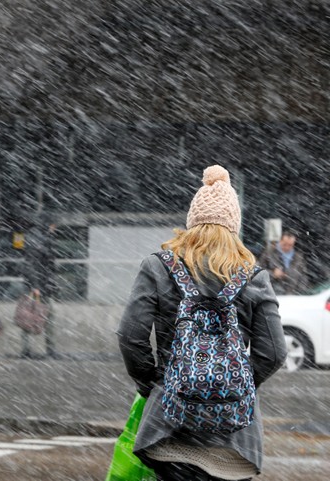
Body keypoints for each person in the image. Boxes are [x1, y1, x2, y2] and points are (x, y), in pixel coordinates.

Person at [117, 165, 287, 481]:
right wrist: (232, 385)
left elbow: (130, 337)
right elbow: (274, 352)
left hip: (168, 434)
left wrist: (156, 383)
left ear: (192, 221)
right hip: (234, 442)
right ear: (234, 227)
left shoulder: (157, 267)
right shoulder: (254, 277)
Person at [21, 212, 59, 359]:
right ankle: (45, 349)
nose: (54, 228)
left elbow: (45, 264)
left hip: (42, 284)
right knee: (32, 315)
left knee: (32, 315)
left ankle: (33, 349)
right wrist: (35, 285)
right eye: (53, 225)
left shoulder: (42, 237)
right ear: (48, 224)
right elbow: (31, 264)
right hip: (37, 285)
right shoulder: (37, 239)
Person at [259, 231, 308, 295]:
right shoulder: (269, 253)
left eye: (290, 245)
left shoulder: (298, 258)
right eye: (284, 244)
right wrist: (272, 274)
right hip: (273, 295)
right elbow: (258, 272)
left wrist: (301, 292)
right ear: (280, 241)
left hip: (292, 296)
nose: (287, 247)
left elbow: (303, 277)